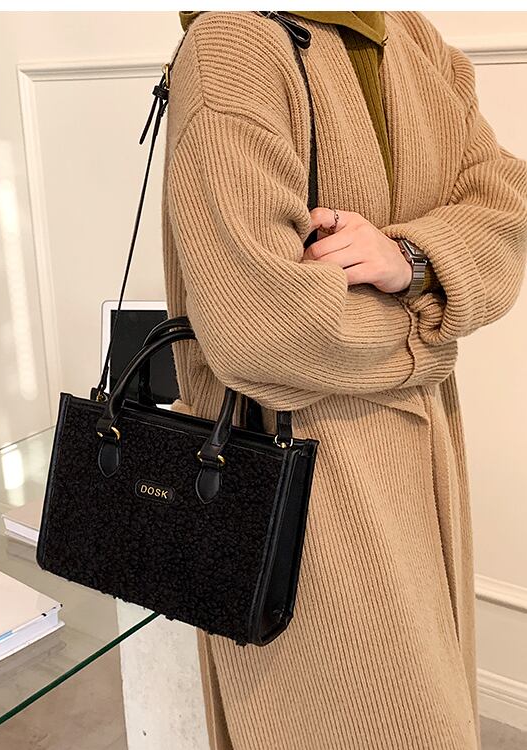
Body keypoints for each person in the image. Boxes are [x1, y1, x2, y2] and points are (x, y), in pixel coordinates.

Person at [162, 10, 527, 750]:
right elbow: (258, 327)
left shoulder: (413, 39)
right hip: (302, 476)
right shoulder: (234, 45)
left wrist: (412, 260)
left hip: (424, 461)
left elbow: (507, 212)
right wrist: (428, 325)